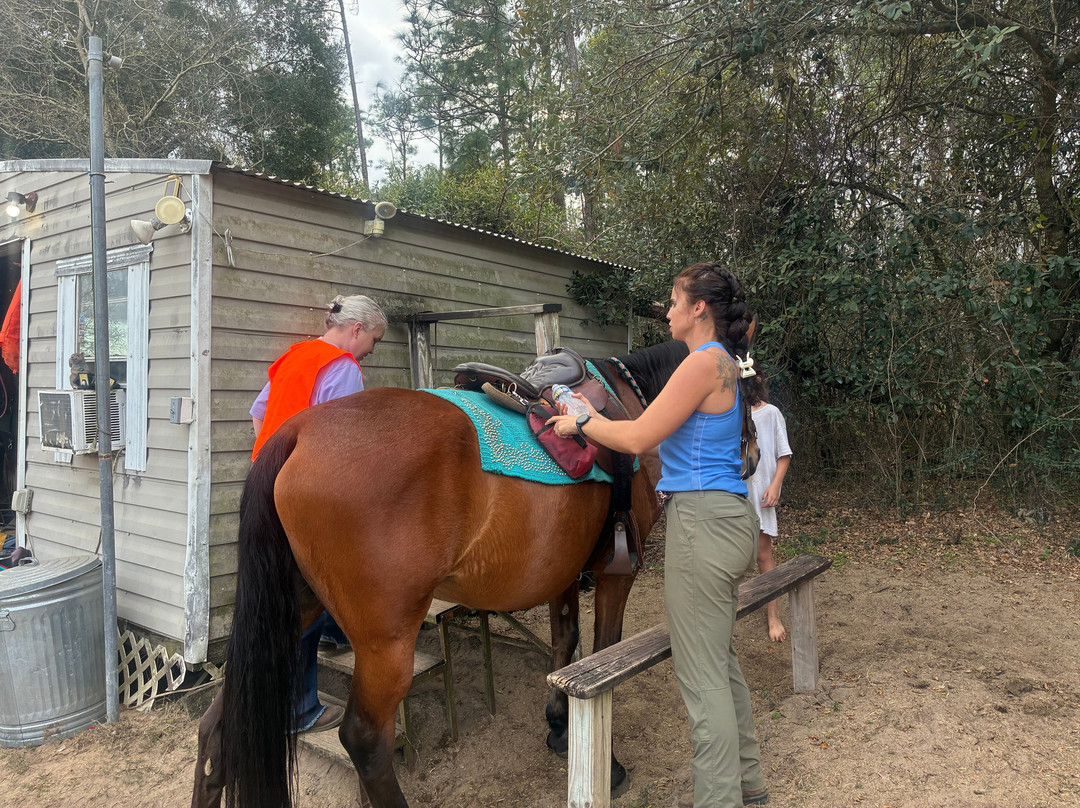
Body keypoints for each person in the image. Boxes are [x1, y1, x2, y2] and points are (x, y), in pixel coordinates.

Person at [548, 262, 768, 808]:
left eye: (673, 300)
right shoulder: (725, 364)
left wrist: (580, 420)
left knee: (701, 677)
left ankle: (719, 800)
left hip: (702, 526)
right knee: (720, 661)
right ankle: (749, 783)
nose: (666, 310)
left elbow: (640, 435)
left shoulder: (701, 364)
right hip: (728, 518)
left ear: (698, 309)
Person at [250, 293, 387, 733]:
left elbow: (258, 415)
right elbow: (345, 444)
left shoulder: (296, 356)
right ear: (357, 329)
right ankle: (298, 708)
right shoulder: (343, 368)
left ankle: (335, 632)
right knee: (310, 588)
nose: (370, 351)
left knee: (295, 582)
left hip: (266, 478)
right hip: (308, 492)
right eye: (374, 341)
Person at [744, 372, 792, 643]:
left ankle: (773, 616)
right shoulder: (728, 413)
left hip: (761, 491)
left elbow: (784, 454)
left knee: (763, 555)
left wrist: (774, 486)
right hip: (735, 492)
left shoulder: (771, 413)